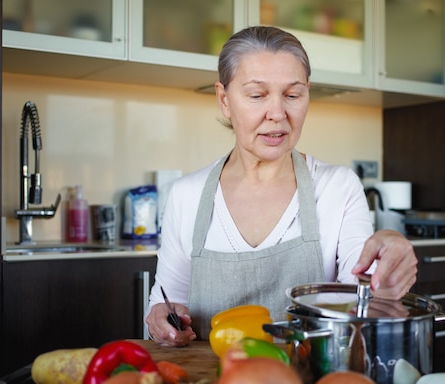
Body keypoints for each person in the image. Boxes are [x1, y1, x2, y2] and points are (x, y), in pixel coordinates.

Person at [145, 26, 417, 347]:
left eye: (292, 95)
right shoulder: (186, 195)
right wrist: (162, 320)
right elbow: (167, 303)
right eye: (257, 95)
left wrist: (387, 266)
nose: (277, 114)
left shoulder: (337, 187)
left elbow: (362, 303)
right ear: (224, 100)